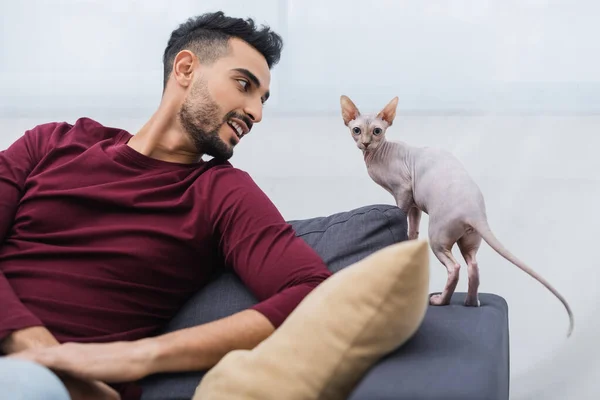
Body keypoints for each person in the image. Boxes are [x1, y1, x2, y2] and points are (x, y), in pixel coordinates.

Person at [0, 11, 332, 400]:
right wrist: (32, 345)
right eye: (244, 85)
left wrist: (142, 355)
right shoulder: (52, 143)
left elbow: (315, 293)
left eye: (262, 99)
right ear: (186, 68)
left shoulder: (222, 192)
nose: (257, 113)